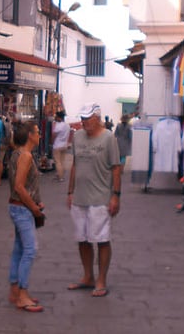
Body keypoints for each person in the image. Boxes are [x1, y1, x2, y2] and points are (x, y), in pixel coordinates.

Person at [66, 104, 122, 298]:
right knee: (82, 240)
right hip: (80, 197)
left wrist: (116, 195)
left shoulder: (108, 138)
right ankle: (88, 276)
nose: (84, 122)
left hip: (101, 197)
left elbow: (116, 167)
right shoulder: (78, 136)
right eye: (82, 118)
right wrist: (70, 191)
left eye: (88, 118)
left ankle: (101, 280)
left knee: (101, 239)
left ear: (97, 118)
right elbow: (75, 164)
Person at [7, 121, 45, 312]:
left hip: (18, 207)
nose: (39, 135)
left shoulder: (16, 153)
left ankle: (15, 290)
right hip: (22, 209)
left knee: (19, 249)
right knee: (30, 249)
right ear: (30, 135)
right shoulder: (26, 156)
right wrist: (35, 209)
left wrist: (36, 202)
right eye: (37, 132)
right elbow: (19, 187)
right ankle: (22, 294)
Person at [51, 110, 72, 182]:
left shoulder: (58, 125)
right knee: (62, 161)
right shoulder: (67, 125)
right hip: (64, 145)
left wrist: (52, 142)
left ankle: (60, 177)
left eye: (56, 117)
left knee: (57, 162)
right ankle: (60, 175)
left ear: (59, 118)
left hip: (57, 145)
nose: (55, 118)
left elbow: (54, 134)